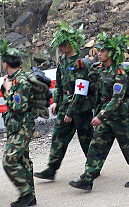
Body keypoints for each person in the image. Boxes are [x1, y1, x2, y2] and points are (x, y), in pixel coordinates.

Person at [69, 35, 129, 190]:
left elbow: (117, 99)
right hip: (103, 116)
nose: (99, 53)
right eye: (99, 50)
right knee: (96, 145)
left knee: (128, 146)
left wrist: (100, 116)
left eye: (103, 51)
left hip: (117, 117)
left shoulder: (119, 73)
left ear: (111, 53)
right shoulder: (98, 70)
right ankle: (88, 178)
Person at [36, 23, 94, 180]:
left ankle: (93, 167)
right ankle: (51, 169)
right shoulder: (62, 61)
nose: (60, 47)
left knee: (86, 139)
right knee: (58, 136)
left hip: (80, 108)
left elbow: (81, 92)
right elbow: (59, 83)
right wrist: (55, 101)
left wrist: (71, 112)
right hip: (64, 104)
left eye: (62, 44)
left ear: (71, 44)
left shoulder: (80, 63)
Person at [0, 48, 37, 207]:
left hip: (22, 126)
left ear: (5, 63)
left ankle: (25, 193)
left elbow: (18, 106)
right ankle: (31, 195)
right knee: (23, 160)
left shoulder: (20, 81)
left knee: (9, 160)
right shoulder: (13, 78)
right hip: (17, 126)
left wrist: (7, 90)